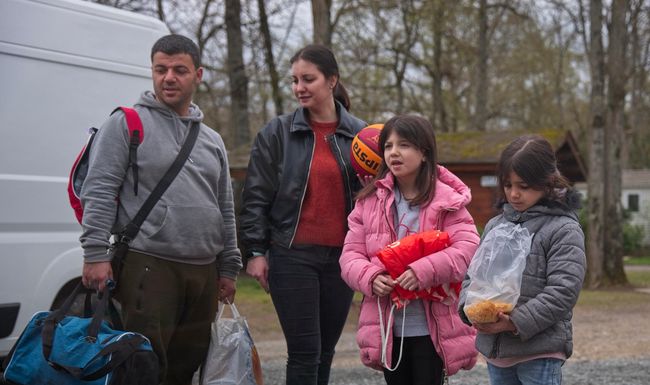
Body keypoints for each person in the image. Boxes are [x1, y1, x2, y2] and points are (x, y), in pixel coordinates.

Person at [79, 34, 242, 385]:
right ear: (152, 72)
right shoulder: (126, 124)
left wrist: (229, 265)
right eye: (161, 69)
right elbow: (100, 188)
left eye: (179, 70)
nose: (169, 77)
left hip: (204, 270)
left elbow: (224, 207)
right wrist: (95, 253)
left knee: (187, 367)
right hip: (149, 264)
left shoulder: (212, 140)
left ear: (198, 75)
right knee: (142, 367)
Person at [239, 44, 366, 385]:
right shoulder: (276, 133)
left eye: (308, 79)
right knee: (305, 352)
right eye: (294, 80)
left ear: (332, 80)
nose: (299, 88)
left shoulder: (362, 136)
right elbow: (255, 197)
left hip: (342, 260)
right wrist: (255, 252)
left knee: (326, 352)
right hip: (291, 257)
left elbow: (375, 201)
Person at [339, 114, 479, 385]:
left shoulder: (448, 200)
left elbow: (470, 249)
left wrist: (423, 271)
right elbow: (349, 256)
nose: (394, 153)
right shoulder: (368, 202)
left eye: (403, 145)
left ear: (424, 152)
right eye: (388, 146)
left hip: (433, 329)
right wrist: (370, 277)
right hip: (388, 329)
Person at [459, 135, 587, 385]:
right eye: (508, 185)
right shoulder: (496, 225)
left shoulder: (563, 229)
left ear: (548, 182)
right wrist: (468, 307)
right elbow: (473, 277)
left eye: (524, 186)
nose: (514, 194)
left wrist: (514, 323)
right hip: (497, 352)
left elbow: (563, 291)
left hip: (539, 350)